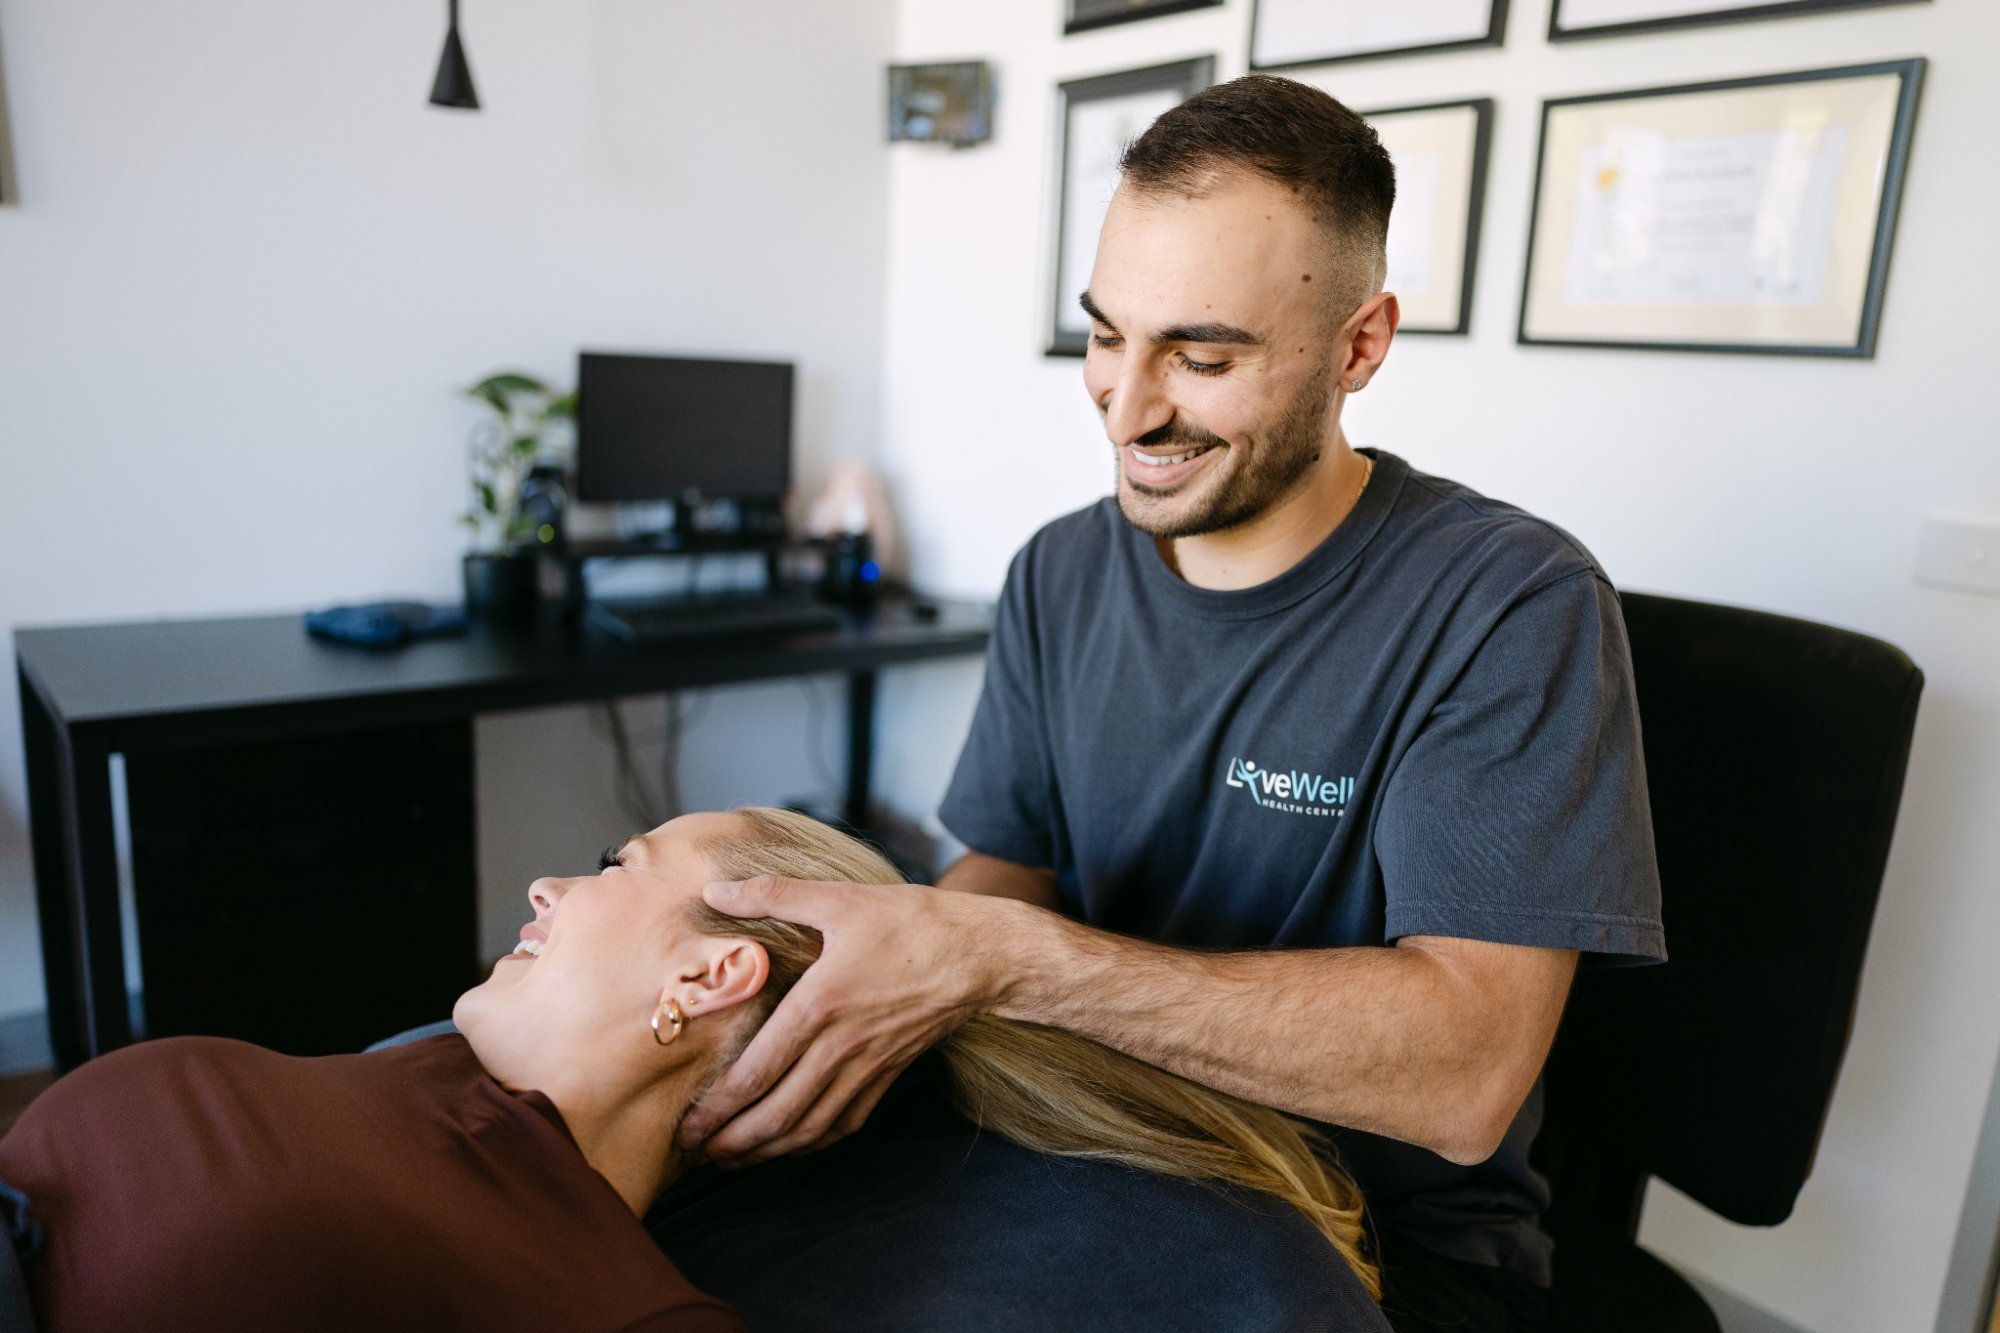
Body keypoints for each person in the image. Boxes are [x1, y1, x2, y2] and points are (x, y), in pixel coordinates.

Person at [673, 76, 1667, 1333]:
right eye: (1103, 335)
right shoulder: (1060, 567)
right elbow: (1008, 871)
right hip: (1087, 1144)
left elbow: (1464, 1069)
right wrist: (870, 964)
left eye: (1200, 357)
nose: (1128, 407)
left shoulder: (1509, 604)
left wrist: (997, 961)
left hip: (1374, 1241)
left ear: (1358, 345)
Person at [0, 807, 1388, 1333]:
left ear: (711, 975)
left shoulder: (601, 1297)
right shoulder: (424, 1078)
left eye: (617, 867)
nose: (547, 883)